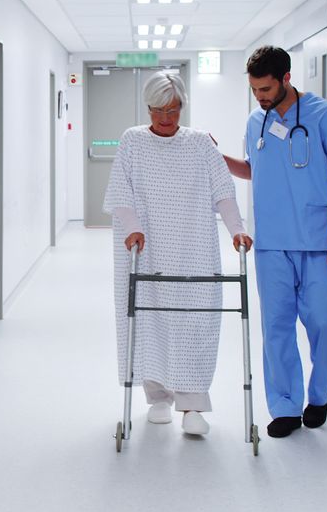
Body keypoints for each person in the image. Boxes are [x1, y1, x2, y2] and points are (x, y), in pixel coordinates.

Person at [220, 46, 327, 438]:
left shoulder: (324, 116)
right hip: (272, 243)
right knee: (277, 326)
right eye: (254, 90)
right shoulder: (257, 121)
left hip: (320, 241)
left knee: (324, 323)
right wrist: (218, 158)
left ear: (286, 78)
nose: (260, 97)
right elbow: (255, 169)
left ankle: (319, 395)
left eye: (265, 88)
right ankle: (285, 406)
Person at [103, 71, 253, 436]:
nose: (166, 118)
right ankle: (157, 397)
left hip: (194, 249)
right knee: (149, 321)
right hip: (146, 250)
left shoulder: (201, 144)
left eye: (172, 109)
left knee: (195, 322)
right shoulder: (132, 142)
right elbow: (120, 193)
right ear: (148, 108)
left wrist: (237, 230)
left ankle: (193, 405)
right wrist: (132, 225)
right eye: (158, 110)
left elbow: (223, 192)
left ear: (183, 105)